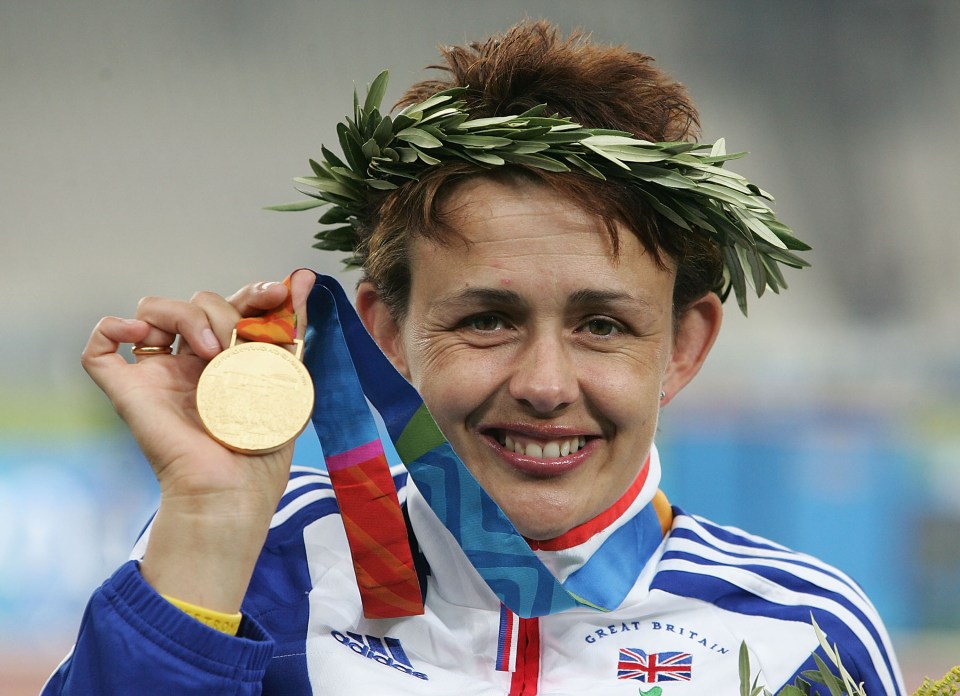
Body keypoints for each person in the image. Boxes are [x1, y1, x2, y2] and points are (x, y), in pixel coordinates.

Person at [44, 20, 904, 695]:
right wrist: (206, 525)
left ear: (682, 346)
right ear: (386, 333)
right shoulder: (252, 569)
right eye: (488, 320)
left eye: (601, 326)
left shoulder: (803, 636)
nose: (542, 384)